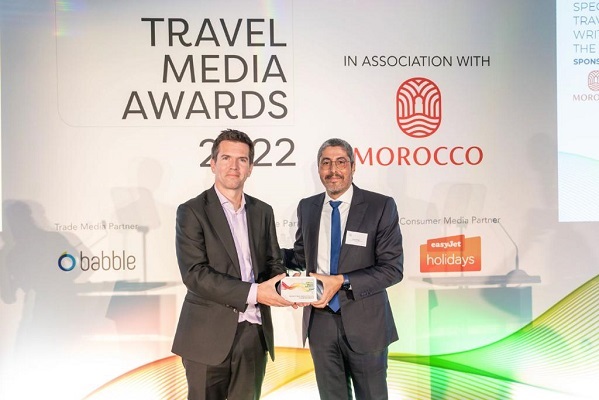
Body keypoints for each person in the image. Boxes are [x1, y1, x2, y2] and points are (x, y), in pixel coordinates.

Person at [172, 129, 292, 400]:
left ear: (250, 167)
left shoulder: (263, 211)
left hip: (253, 334)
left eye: (242, 159)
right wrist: (256, 293)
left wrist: (285, 288)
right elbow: (195, 274)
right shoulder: (191, 211)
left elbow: (273, 262)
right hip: (205, 336)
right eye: (226, 158)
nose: (234, 166)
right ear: (213, 163)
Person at [284, 138, 404, 400]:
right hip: (320, 323)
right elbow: (302, 256)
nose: (333, 170)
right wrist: (267, 254)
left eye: (340, 162)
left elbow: (392, 268)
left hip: (366, 322)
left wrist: (341, 280)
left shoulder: (380, 206)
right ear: (319, 168)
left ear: (353, 166)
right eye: (326, 163)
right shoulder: (308, 207)